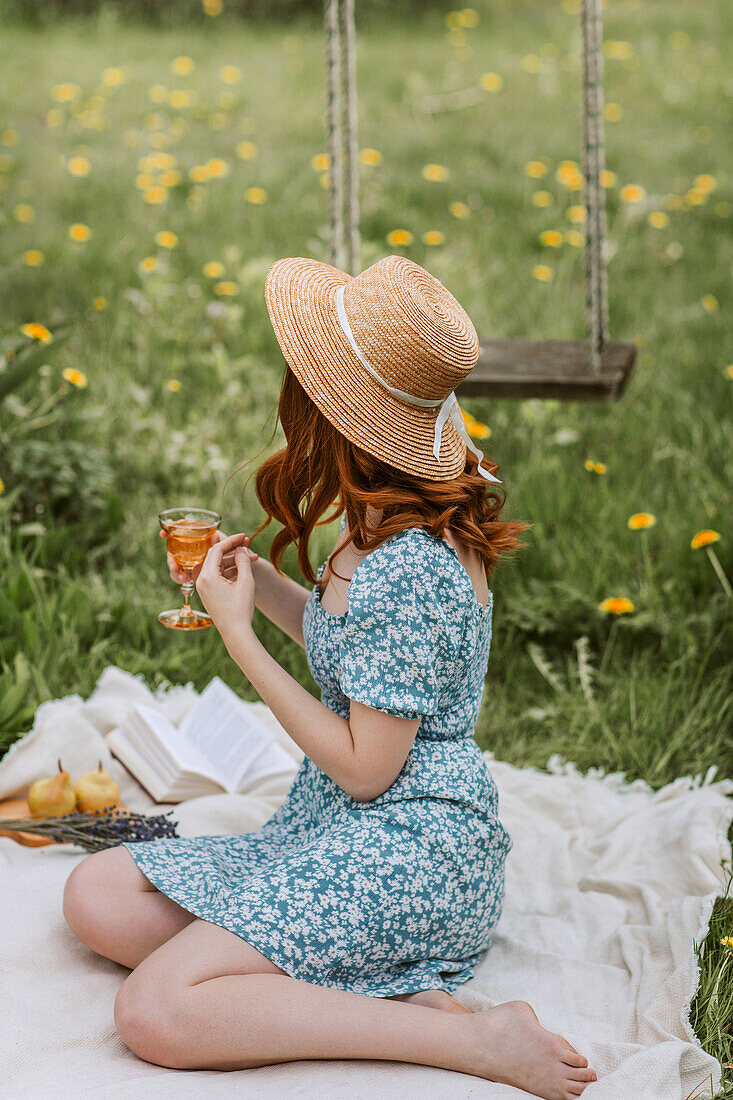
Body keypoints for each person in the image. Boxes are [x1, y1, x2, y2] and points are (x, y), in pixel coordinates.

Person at [63, 255, 597, 1096]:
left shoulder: (407, 566)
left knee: (155, 1012)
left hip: (410, 847)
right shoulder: (384, 516)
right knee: (96, 893)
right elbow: (351, 642)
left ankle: (465, 1040)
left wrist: (239, 640)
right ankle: (384, 988)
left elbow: (365, 767)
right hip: (337, 831)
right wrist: (261, 586)